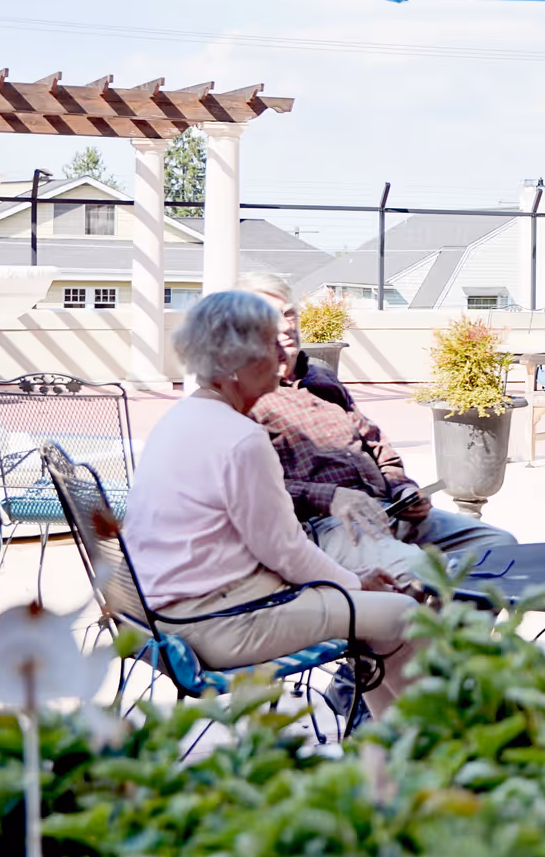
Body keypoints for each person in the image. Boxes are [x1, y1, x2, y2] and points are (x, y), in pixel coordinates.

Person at [121, 291, 421, 715]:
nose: (281, 354)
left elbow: (277, 551)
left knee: (377, 616)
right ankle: (437, 742)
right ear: (231, 366)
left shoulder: (179, 419)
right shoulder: (241, 438)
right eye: (265, 347)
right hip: (219, 623)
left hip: (168, 618)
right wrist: (354, 581)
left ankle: (398, 740)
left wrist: (350, 580)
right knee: (403, 612)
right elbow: (286, 551)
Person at [239, 272, 516, 576]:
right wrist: (328, 496)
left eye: (289, 314)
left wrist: (403, 489)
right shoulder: (245, 398)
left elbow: (376, 444)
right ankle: (431, 618)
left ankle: (450, 621)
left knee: (500, 547)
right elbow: (247, 488)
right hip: (327, 523)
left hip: (387, 509)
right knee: (426, 572)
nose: (285, 326)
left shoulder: (321, 379)